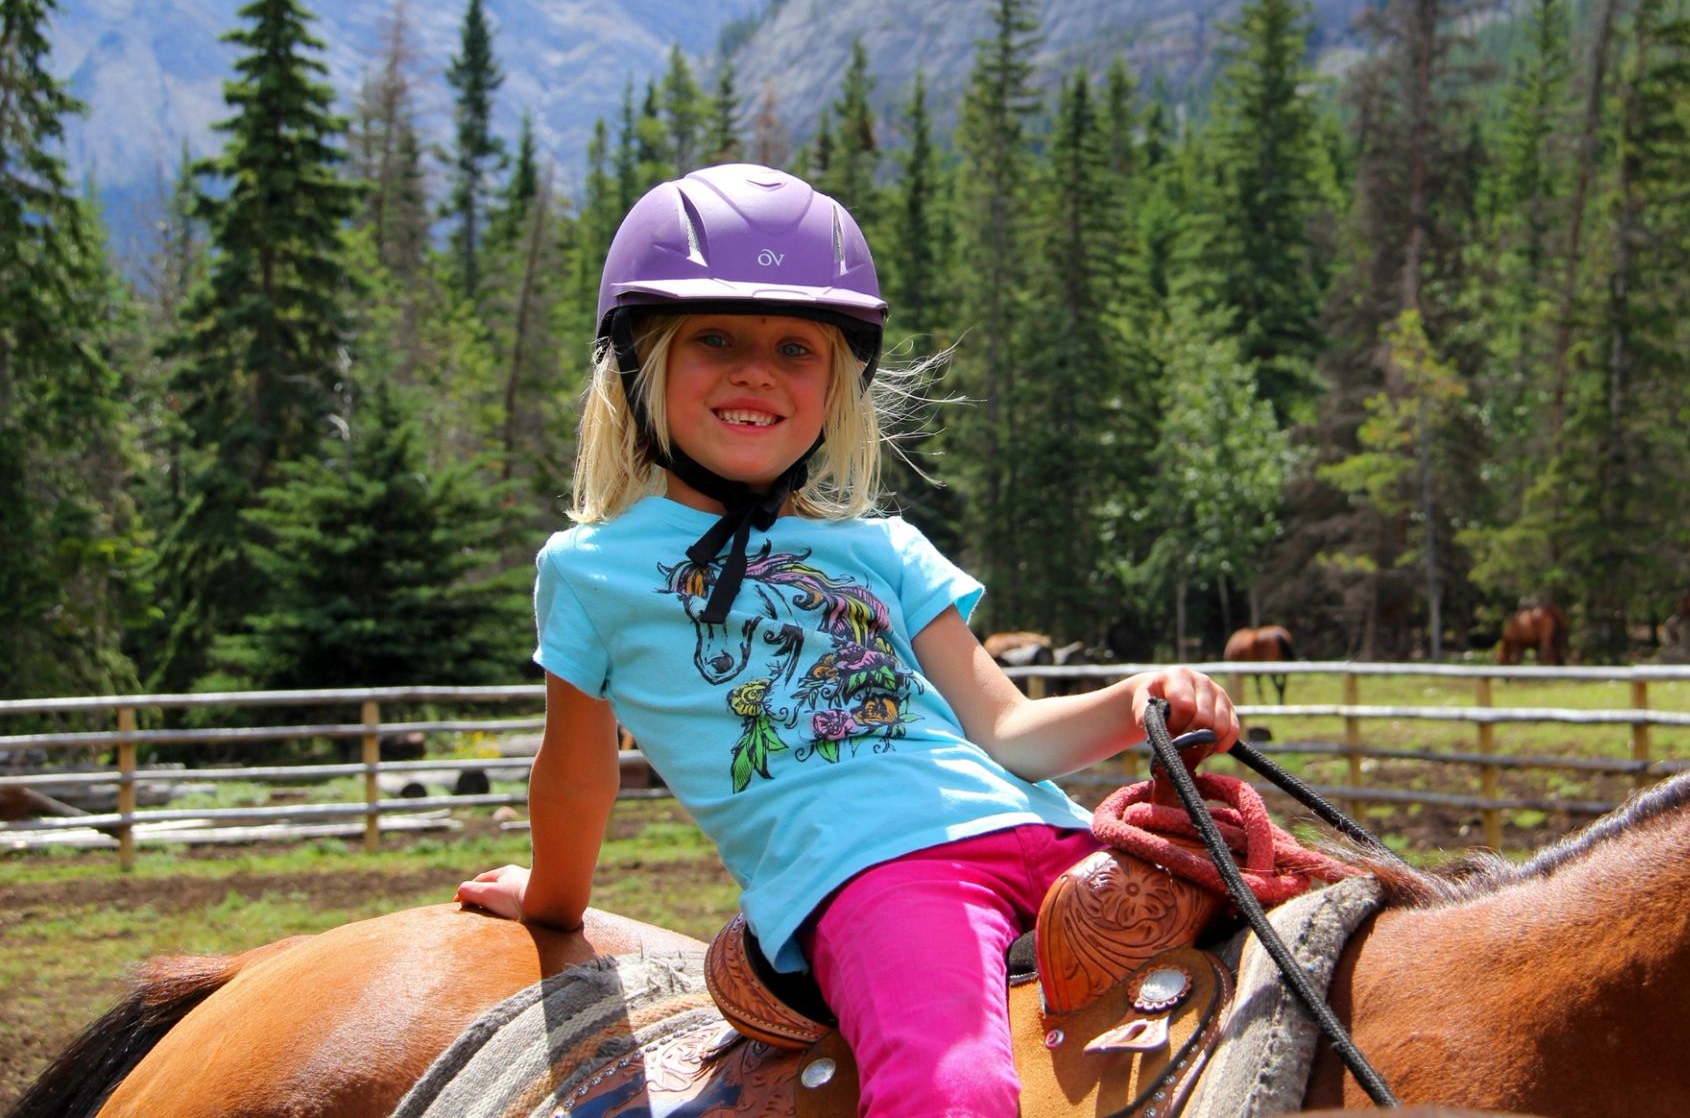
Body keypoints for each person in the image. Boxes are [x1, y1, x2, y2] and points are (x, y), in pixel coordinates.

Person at [456, 164, 1239, 1117]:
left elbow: (1010, 734)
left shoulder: (883, 547)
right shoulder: (591, 569)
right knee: (951, 1089)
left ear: (837, 386)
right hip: (877, 878)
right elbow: (579, 776)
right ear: (636, 362)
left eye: (796, 347)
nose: (756, 370)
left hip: (1053, 833)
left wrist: (1135, 703)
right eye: (714, 338)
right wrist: (552, 904)